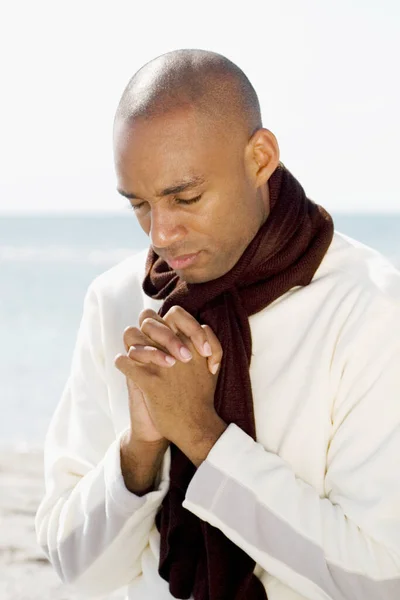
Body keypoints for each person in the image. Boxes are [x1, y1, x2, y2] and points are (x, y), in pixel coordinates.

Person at [35, 48, 400, 600]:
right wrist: (140, 449)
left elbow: (378, 578)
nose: (160, 234)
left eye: (185, 197)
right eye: (139, 204)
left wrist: (204, 436)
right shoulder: (116, 303)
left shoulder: (370, 309)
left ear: (260, 158)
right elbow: (76, 569)